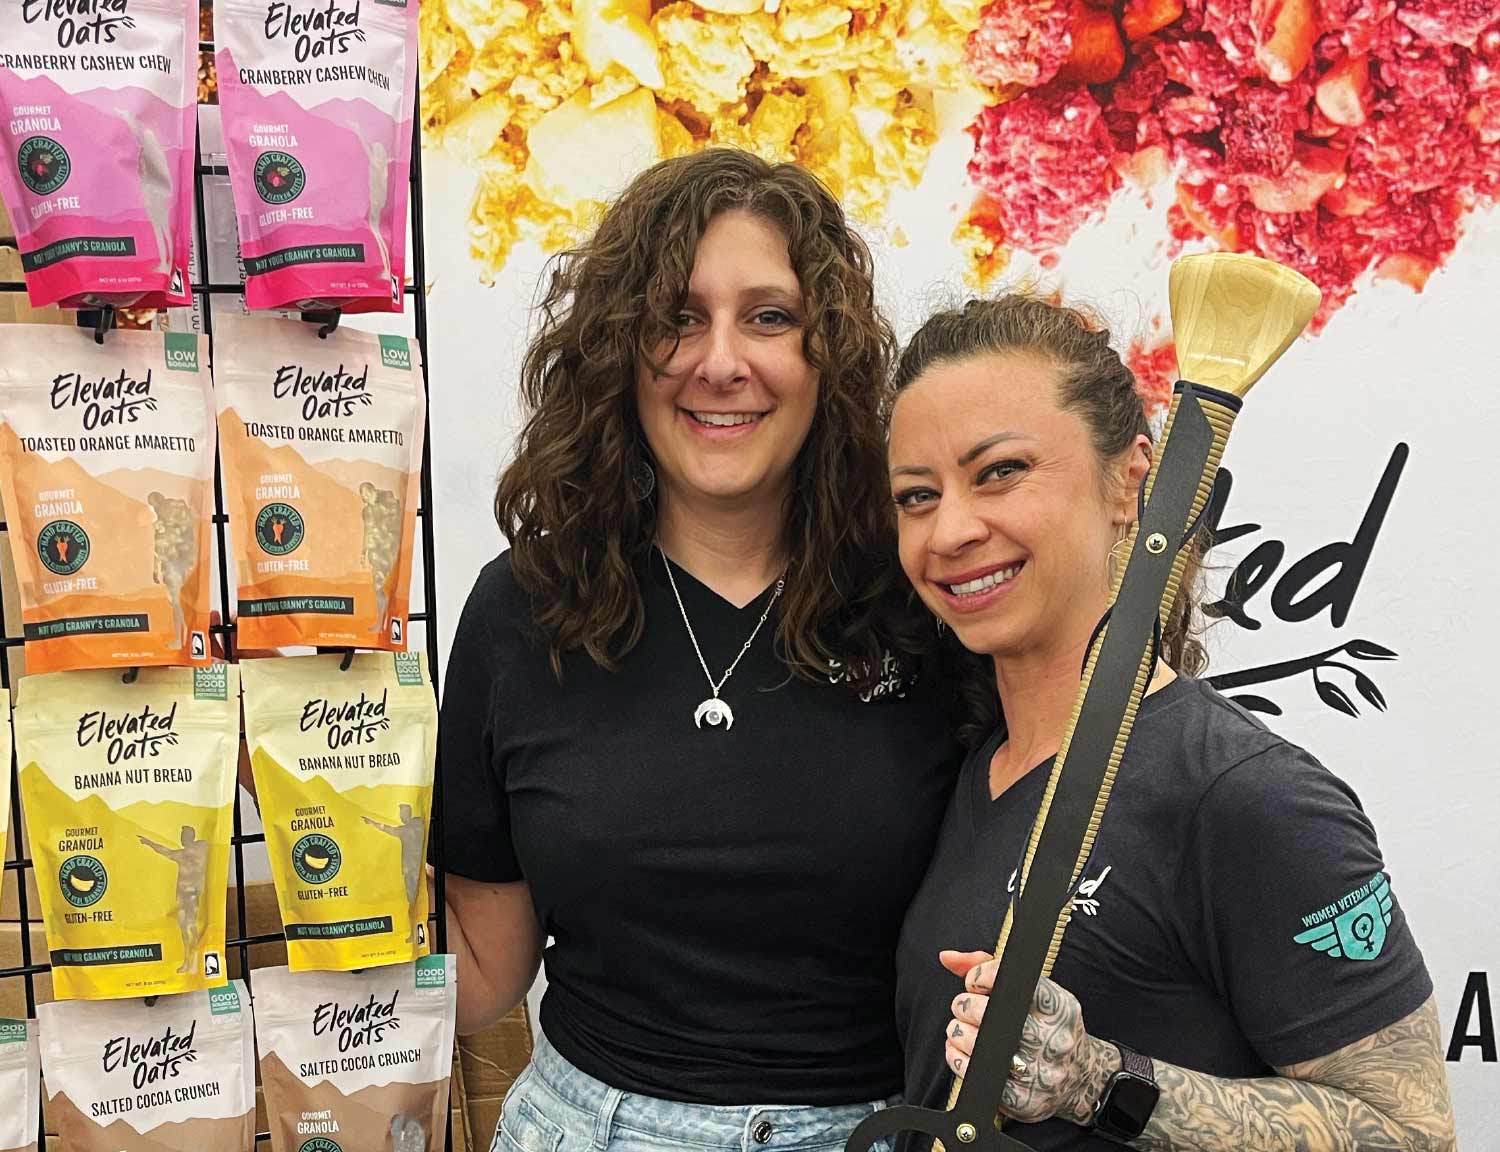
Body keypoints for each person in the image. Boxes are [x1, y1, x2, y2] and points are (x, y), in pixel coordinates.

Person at [437, 148, 961, 1152]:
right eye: (678, 317)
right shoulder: (526, 608)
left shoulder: (922, 603)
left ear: (829, 354)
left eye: (769, 316)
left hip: (867, 1130)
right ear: (618, 353)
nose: (721, 361)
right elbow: (485, 979)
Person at [887, 296, 1455, 1150]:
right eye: (917, 496)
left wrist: (1098, 1081)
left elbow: (1410, 1134)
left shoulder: (1246, 794)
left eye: (1000, 471)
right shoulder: (975, 770)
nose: (953, 529)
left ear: (1130, 483)